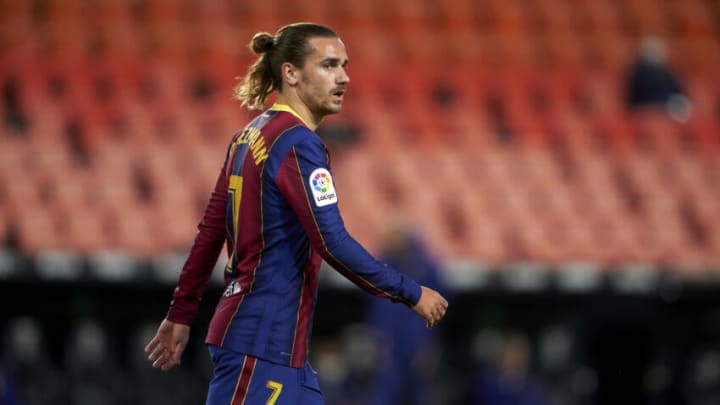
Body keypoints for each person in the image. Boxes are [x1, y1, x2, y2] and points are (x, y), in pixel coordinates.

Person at [144, 22, 449, 405]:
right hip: (260, 346)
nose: (344, 77)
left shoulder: (247, 136)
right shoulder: (298, 143)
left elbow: (210, 231)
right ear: (290, 73)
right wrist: (410, 291)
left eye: (344, 65)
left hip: (282, 352)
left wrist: (182, 312)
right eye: (329, 65)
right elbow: (332, 241)